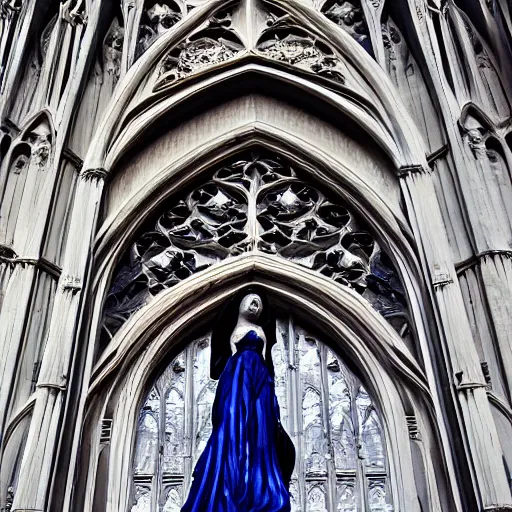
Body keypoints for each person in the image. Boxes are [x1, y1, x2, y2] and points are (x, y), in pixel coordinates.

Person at [181, 291, 294, 512]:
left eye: (259, 303)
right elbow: (230, 352)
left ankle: (259, 483)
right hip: (239, 374)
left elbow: (265, 356)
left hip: (259, 377)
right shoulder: (236, 331)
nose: (256, 306)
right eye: (252, 301)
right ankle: (232, 478)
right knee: (234, 420)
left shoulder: (261, 331)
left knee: (260, 424)